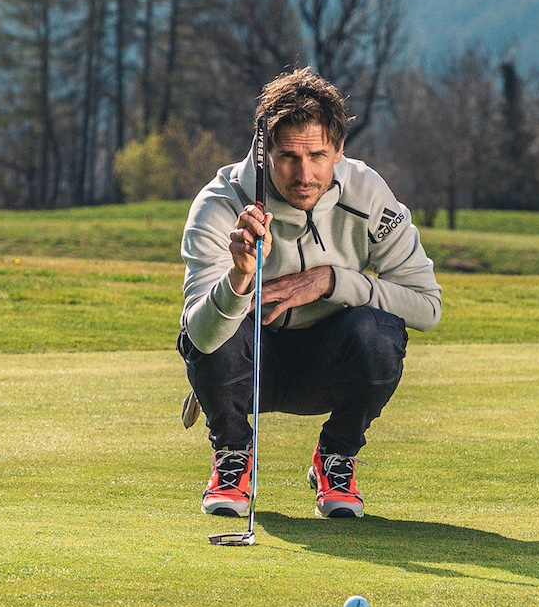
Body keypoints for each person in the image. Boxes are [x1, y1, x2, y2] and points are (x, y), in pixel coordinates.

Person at [179, 68, 442, 519]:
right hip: (246, 370)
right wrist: (239, 278)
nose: (304, 174)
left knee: (377, 329)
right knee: (211, 324)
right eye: (288, 158)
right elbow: (199, 338)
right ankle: (232, 457)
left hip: (328, 366)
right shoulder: (220, 203)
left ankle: (336, 457)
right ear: (264, 154)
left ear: (339, 150)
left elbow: (428, 307)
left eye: (318, 155)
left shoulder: (369, 194)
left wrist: (334, 281)